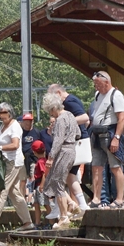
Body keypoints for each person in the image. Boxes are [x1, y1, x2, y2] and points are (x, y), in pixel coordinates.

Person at [0, 104, 35, 231]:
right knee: (14, 193)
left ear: (10, 113)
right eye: (0, 114)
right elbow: (1, 142)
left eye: (4, 113)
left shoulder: (15, 126)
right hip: (4, 161)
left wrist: (1, 147)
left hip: (13, 161)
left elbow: (15, 144)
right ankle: (27, 222)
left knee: (1, 190)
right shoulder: (3, 126)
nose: (2, 116)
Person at [48, 83, 92, 210]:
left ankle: (76, 205)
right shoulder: (70, 102)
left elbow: (85, 118)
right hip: (75, 140)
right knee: (67, 174)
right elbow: (87, 122)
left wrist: (63, 123)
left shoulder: (70, 101)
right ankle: (68, 206)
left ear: (58, 94)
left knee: (65, 174)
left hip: (77, 142)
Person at [43, 90, 82, 229]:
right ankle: (72, 204)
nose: (50, 115)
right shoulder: (71, 115)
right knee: (57, 180)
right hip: (72, 150)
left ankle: (64, 217)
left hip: (63, 151)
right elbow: (78, 133)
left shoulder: (60, 119)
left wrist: (51, 157)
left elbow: (58, 140)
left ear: (53, 108)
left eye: (49, 111)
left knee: (58, 183)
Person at [88, 71, 124, 207]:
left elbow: (122, 118)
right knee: (96, 166)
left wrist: (116, 137)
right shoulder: (97, 95)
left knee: (115, 167)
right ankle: (96, 198)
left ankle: (120, 198)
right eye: (95, 85)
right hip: (97, 133)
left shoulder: (116, 95)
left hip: (110, 132)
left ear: (106, 82)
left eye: (98, 84)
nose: (96, 87)